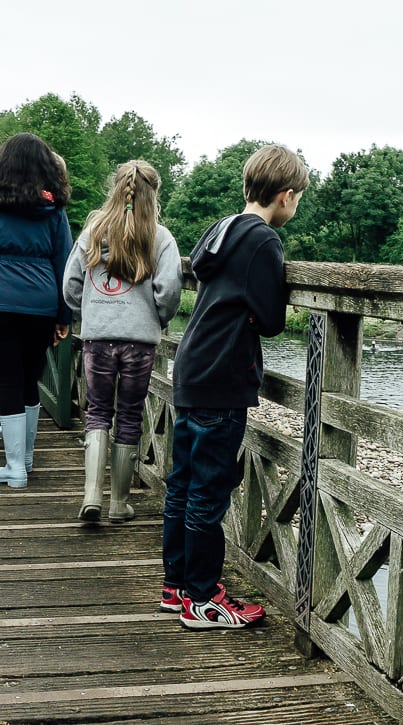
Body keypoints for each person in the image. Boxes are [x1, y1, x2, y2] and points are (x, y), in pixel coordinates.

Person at [162, 144, 308, 629]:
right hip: (223, 374)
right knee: (210, 488)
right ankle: (203, 600)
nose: (296, 206)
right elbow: (270, 320)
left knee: (182, 482)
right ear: (285, 196)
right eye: (298, 199)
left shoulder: (221, 229)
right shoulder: (263, 240)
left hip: (192, 365)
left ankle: (178, 585)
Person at [63, 160, 183, 522]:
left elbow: (71, 284)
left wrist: (88, 313)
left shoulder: (92, 231)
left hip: (98, 340)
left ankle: (90, 497)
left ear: (115, 188)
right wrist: (156, 318)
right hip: (139, 343)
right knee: (129, 416)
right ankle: (118, 503)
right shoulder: (160, 237)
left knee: (97, 412)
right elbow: (170, 290)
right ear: (154, 194)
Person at [0, 133, 73, 489]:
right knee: (30, 379)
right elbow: (66, 264)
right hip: (42, 304)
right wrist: (64, 316)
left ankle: (15, 469)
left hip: (2, 303)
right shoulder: (55, 210)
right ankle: (26, 459)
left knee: (7, 381)